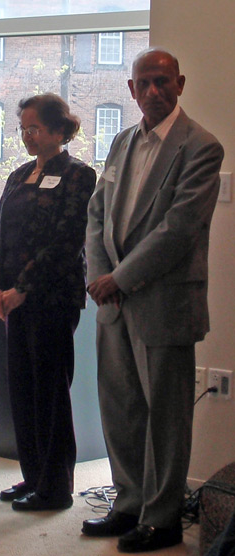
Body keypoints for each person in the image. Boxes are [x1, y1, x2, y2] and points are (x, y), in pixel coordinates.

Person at [82, 48, 224, 552]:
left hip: (163, 303)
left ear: (180, 84)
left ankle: (162, 518)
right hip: (113, 303)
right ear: (131, 90)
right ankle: (128, 504)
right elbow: (97, 216)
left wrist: (119, 278)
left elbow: (178, 230)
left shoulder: (202, 147)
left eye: (163, 81)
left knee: (165, 418)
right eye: (144, 83)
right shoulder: (121, 142)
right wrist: (101, 276)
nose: (154, 91)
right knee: (120, 409)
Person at [0, 93, 96, 511]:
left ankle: (55, 486)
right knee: (23, 389)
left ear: (59, 129)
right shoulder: (18, 176)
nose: (28, 136)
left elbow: (66, 241)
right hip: (12, 300)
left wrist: (23, 288)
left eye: (35, 128)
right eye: (23, 128)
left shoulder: (79, 175)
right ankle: (32, 476)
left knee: (50, 391)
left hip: (51, 297)